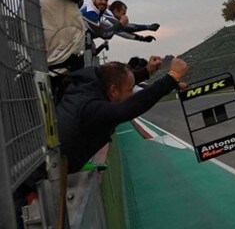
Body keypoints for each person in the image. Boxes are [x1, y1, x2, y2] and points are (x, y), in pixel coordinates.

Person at [56, 57, 187, 173]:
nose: (132, 94)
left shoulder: (91, 81)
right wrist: (172, 77)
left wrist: (146, 71)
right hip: (48, 175)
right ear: (113, 91)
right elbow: (126, 109)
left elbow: (119, 80)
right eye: (130, 90)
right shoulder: (90, 108)